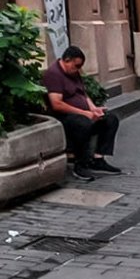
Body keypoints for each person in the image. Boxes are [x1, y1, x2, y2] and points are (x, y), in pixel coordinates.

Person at [45, 46, 121, 180]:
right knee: (83, 124)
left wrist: (93, 109)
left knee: (111, 119)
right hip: (65, 116)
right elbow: (56, 104)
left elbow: (83, 94)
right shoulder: (54, 74)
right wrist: (85, 113)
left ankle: (98, 158)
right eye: (76, 65)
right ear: (67, 60)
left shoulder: (73, 72)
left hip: (82, 113)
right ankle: (80, 164)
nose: (78, 69)